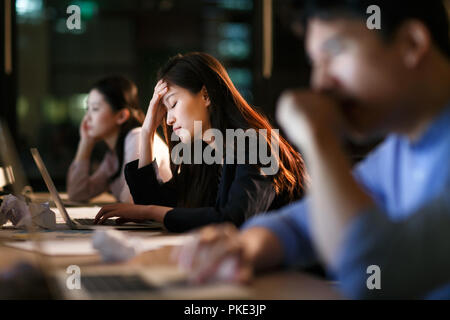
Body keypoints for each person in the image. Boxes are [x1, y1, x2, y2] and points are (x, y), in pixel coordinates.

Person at [172, 0, 450, 299]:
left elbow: (370, 268)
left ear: (411, 43)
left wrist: (318, 138)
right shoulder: (400, 150)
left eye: (335, 52)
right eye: (314, 62)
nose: (319, 83)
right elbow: (300, 223)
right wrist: (243, 247)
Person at [94, 52, 308, 232]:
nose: (168, 120)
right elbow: (156, 204)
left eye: (173, 103)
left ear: (206, 96)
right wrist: (147, 131)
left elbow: (233, 221)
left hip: (301, 277)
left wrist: (148, 212)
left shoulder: (256, 143)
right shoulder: (205, 154)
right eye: (165, 110)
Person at [67, 75, 172, 203]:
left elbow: (131, 200)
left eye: (95, 109)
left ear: (121, 116)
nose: (87, 118)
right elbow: (77, 194)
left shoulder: (137, 137)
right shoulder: (113, 155)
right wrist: (85, 143)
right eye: (87, 109)